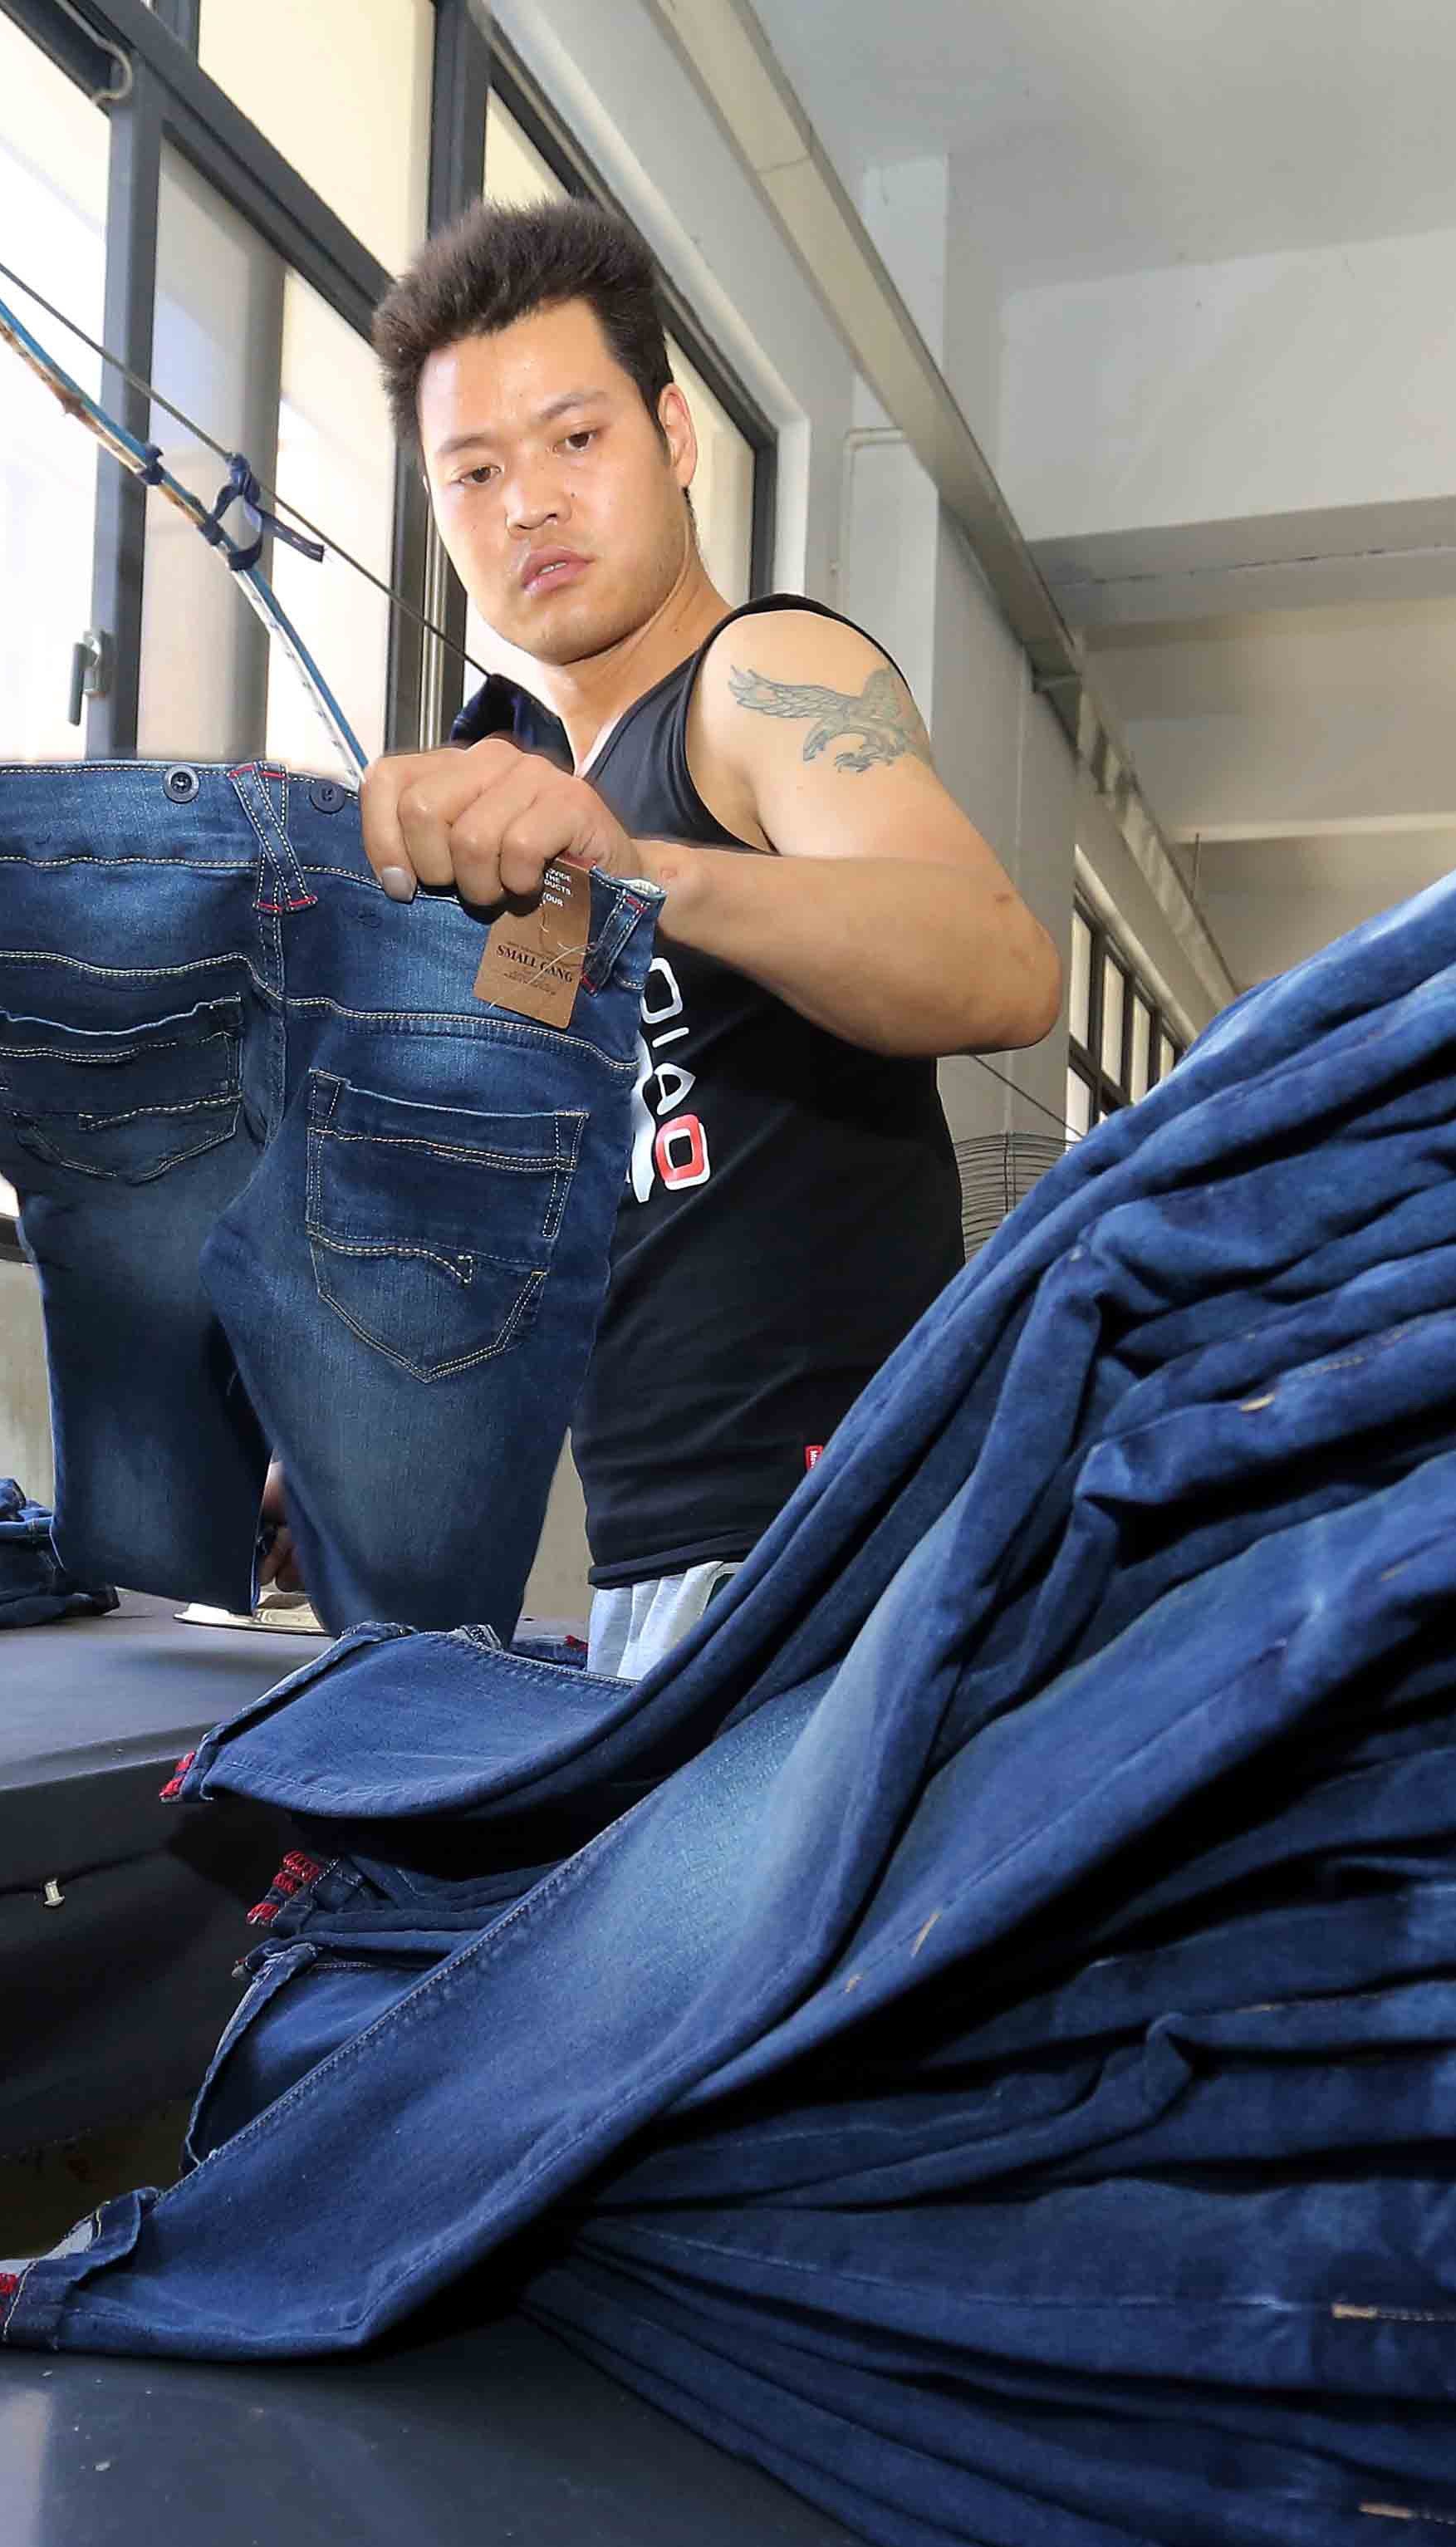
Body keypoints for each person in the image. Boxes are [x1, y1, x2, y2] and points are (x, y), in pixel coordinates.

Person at [319, 196, 1064, 1681]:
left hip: (844, 1542)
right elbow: (597, 1201)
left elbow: (1001, 963)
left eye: (574, 439)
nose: (527, 503)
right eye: (474, 471)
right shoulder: (539, 810)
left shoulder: (761, 677)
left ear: (675, 438)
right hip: (657, 1571)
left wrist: (649, 871)